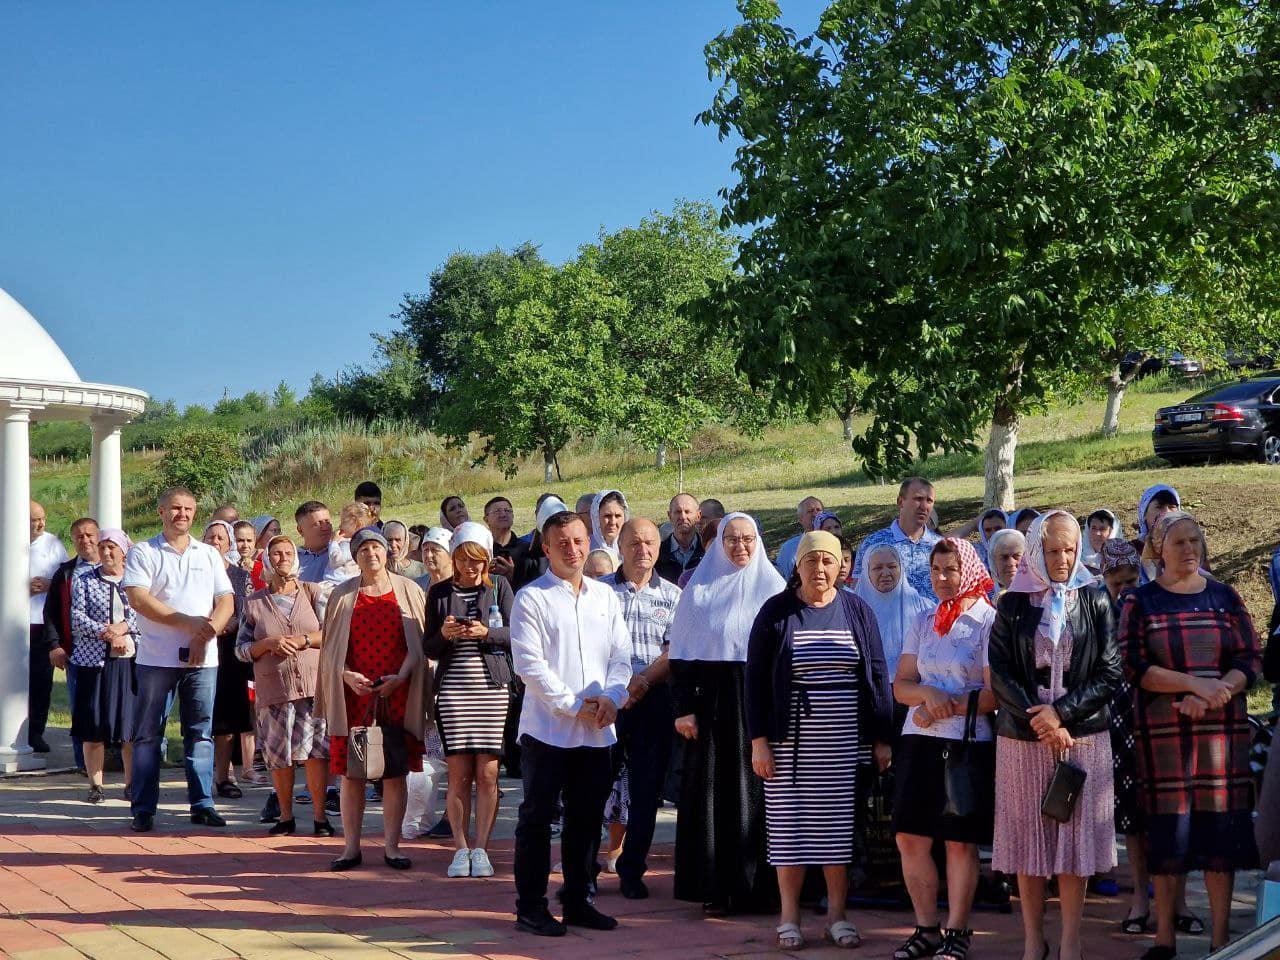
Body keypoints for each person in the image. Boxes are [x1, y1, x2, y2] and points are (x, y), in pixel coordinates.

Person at [1120, 511, 1260, 958]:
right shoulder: (1141, 600)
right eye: (1179, 542)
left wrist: (1218, 692)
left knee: (1220, 837)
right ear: (1159, 549)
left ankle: (1220, 940)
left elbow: (1249, 657)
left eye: (1195, 540)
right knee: (1168, 836)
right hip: (1164, 738)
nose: (1190, 549)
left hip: (1220, 738)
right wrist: (1194, 685)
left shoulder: (1225, 596)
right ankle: (1164, 940)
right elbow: (1134, 665)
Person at [746, 530, 894, 950]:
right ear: (798, 566)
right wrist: (759, 741)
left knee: (838, 834)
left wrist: (882, 737)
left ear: (840, 566)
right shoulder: (776, 612)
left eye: (828, 561)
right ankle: (789, 918)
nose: (821, 569)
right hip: (789, 744)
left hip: (844, 744)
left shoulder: (857, 610)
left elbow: (877, 673)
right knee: (789, 832)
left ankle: (837, 917)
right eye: (812, 561)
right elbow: (755, 681)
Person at [988, 511, 1121, 960]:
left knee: (1074, 841)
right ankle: (1033, 939)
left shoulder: (1095, 597)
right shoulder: (1012, 603)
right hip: (1024, 738)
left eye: (1069, 549)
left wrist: (1061, 714)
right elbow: (1000, 673)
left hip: (1082, 737)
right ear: (1035, 551)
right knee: (1028, 841)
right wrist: (1041, 721)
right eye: (1052, 550)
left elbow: (1110, 671)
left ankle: (1070, 941)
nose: (1062, 559)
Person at [509, 510, 631, 937]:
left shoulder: (605, 597)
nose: (573, 550)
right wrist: (572, 705)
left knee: (587, 817)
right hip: (547, 729)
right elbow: (530, 665)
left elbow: (621, 656)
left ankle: (579, 900)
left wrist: (613, 697)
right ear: (546, 548)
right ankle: (531, 907)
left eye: (579, 541)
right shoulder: (532, 598)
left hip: (597, 730)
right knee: (537, 819)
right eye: (562, 543)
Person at [670, 512, 785, 914]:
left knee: (763, 795)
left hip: (762, 707)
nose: (740, 547)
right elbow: (681, 655)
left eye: (748, 539)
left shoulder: (775, 589)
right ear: (719, 543)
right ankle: (716, 887)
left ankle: (762, 889)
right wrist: (684, 709)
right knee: (714, 794)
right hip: (713, 708)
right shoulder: (699, 592)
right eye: (732, 539)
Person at [890, 537, 997, 960]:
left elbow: (993, 693)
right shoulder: (923, 619)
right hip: (918, 740)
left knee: (958, 840)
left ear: (967, 570)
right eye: (935, 570)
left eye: (950, 570)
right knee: (910, 836)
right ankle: (926, 927)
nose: (942, 579)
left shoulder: (987, 620)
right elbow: (902, 685)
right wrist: (926, 696)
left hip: (965, 741)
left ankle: (958, 929)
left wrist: (943, 706)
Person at [316, 526, 430, 871]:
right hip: (356, 697)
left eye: (376, 547)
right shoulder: (342, 595)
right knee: (352, 774)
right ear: (355, 556)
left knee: (395, 772)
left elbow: (419, 645)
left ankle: (392, 847)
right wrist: (346, 675)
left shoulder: (409, 590)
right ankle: (351, 848)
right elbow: (330, 650)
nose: (371, 554)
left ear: (387, 551)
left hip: (398, 693)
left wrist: (403, 676)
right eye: (363, 549)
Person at [123, 487, 236, 833]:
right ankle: (144, 809)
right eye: (175, 508)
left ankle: (202, 804)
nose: (182, 514)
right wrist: (186, 623)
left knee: (200, 732)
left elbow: (226, 601)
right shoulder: (144, 551)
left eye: (188, 508)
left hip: (203, 661)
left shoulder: (208, 554)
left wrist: (205, 634)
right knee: (148, 735)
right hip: (156, 659)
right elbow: (138, 599)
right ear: (161, 511)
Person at [1095, 539, 1190, 936]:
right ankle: (1139, 899)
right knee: (1133, 817)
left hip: (1162, 715)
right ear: (1105, 580)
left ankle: (1179, 902)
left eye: (1131, 580)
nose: (1124, 590)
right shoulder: (1096, 610)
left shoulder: (1158, 603)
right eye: (1116, 583)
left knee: (1171, 813)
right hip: (1118, 721)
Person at [423, 521, 515, 880]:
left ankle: (482, 848)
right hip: (454, 691)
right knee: (458, 773)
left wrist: (486, 632)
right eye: (463, 559)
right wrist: (445, 634)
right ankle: (461, 848)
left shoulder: (499, 586)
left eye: (477, 560)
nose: (470, 566)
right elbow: (429, 646)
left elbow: (517, 633)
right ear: (454, 558)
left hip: (491, 690)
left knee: (488, 773)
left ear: (487, 559)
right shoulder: (439, 591)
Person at [602, 517, 681, 899]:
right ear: (620, 547)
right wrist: (620, 686)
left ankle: (632, 868)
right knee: (594, 786)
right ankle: (583, 868)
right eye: (634, 543)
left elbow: (675, 649)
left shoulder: (673, 595)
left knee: (646, 790)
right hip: (606, 700)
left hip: (652, 700)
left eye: (650, 542)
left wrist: (642, 681)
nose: (643, 550)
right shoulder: (599, 592)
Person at [237, 534, 332, 836]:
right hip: (274, 688)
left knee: (316, 753)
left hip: (313, 687)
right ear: (267, 560)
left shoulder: (313, 592)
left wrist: (304, 640)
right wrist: (267, 644)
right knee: (279, 755)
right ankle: (285, 816)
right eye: (276, 554)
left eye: (288, 553)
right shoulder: (254, 603)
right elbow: (241, 649)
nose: (283, 559)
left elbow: (331, 633)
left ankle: (320, 818)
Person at [67, 528, 137, 803]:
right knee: (93, 724)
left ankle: (132, 784)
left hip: (130, 661)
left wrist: (124, 629)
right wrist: (108, 634)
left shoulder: (136, 580)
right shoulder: (84, 580)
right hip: (93, 662)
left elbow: (146, 613)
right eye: (103, 547)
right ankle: (96, 785)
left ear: (123, 551)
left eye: (112, 547)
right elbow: (77, 618)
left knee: (129, 726)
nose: (106, 552)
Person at [203, 521, 257, 798]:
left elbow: (246, 612)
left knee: (226, 720)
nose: (215, 541)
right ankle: (200, 779)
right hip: (198, 647)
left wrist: (223, 625)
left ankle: (224, 778)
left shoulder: (239, 575)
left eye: (220, 537)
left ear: (229, 544)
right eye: (210, 536)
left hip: (229, 652)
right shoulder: (193, 572)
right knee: (199, 717)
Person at [45, 517, 100, 772]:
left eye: (89, 535)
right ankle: (84, 764)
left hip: (114, 653)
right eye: (79, 536)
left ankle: (114, 761)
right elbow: (51, 612)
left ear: (99, 536)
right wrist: (55, 646)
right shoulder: (65, 573)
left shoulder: (117, 567)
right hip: (77, 653)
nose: (85, 540)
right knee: (81, 708)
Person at [852, 543, 935, 683]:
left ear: (901, 568)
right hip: (866, 688)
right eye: (877, 568)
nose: (885, 573)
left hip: (914, 688)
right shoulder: (852, 609)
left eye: (892, 567)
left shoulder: (925, 609)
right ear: (866, 572)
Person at [853, 478, 942, 601]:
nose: (924, 506)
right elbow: (858, 590)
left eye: (929, 501)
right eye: (918, 499)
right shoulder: (873, 543)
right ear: (900, 502)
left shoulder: (940, 546)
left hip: (934, 613)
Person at [28, 499, 69, 753]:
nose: (40, 524)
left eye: (42, 518)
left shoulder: (53, 544)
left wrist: (49, 584)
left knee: (41, 682)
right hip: (11, 624)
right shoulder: (7, 540)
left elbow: (66, 579)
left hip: (42, 624)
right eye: (33, 520)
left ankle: (35, 733)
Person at [484, 496, 533, 588]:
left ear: (513, 516)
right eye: (497, 511)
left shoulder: (528, 550)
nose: (503, 514)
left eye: (507, 510)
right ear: (486, 519)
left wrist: (512, 576)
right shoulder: (482, 550)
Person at [656, 493, 704, 585]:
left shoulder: (708, 552)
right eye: (678, 512)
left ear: (698, 516)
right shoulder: (657, 553)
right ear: (669, 516)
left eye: (687, 512)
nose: (682, 517)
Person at [773, 496, 825, 578]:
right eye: (810, 511)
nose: (815, 514)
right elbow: (782, 580)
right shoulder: (788, 548)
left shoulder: (836, 542)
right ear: (801, 519)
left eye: (818, 510)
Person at [294, 500, 333, 584]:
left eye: (327, 522)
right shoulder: (292, 559)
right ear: (300, 530)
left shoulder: (342, 552)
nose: (325, 528)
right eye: (317, 524)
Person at [588, 490, 629, 566]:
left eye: (617, 516)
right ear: (596, 517)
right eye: (607, 516)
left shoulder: (631, 547)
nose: (613, 522)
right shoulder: (586, 547)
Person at [987, 528, 1026, 600]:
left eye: (1016, 556)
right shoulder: (997, 600)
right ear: (994, 562)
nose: (1010, 563)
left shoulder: (1039, 598)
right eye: (1004, 557)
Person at [1081, 508, 1122, 574]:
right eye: (1093, 528)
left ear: (1112, 532)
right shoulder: (1077, 561)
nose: (1097, 533)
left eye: (1102, 529)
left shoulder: (1123, 563)